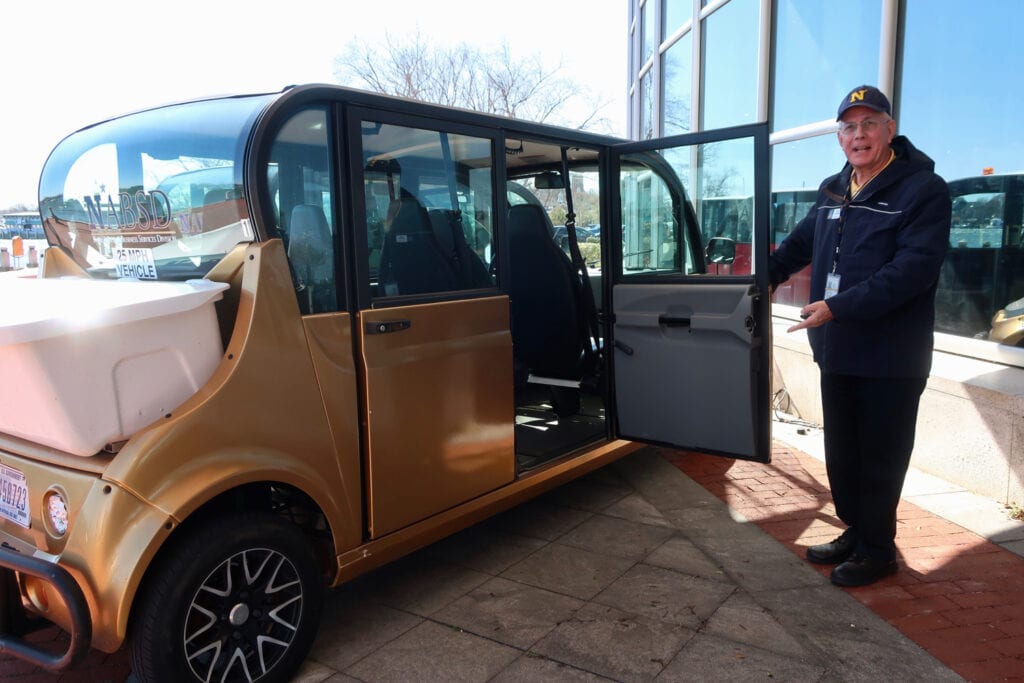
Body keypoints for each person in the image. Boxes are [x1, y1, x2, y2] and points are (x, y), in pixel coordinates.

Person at [768, 85, 951, 587]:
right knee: (844, 455)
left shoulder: (922, 190)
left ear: (890, 130)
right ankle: (857, 529)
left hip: (890, 357)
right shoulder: (834, 188)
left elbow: (912, 271)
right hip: (837, 349)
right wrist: (758, 282)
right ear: (839, 137)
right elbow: (796, 247)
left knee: (880, 456)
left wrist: (837, 307)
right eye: (849, 127)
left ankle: (878, 548)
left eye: (870, 123)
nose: (859, 135)